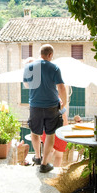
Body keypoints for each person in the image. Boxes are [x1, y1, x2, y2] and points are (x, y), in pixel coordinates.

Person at [23, 44, 67, 173]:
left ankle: (37, 156)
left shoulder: (29, 67)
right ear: (50, 55)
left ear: (40, 53)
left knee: (34, 132)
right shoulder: (54, 68)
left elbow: (26, 84)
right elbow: (61, 88)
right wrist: (64, 102)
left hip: (35, 106)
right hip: (51, 106)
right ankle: (44, 164)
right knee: (50, 134)